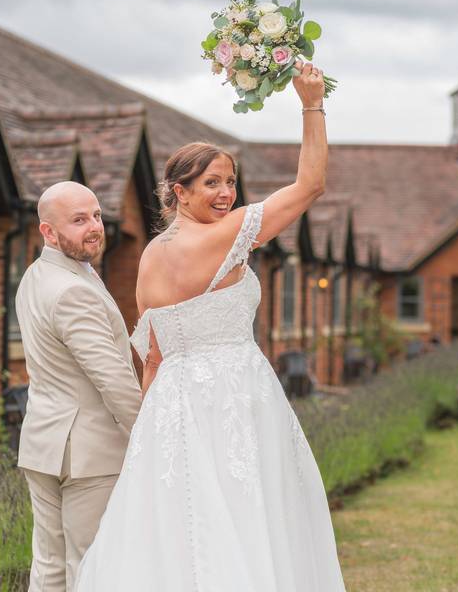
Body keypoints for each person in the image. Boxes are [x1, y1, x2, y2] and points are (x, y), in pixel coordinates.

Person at [74, 61, 346, 591]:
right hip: (234, 396)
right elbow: (311, 185)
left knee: (175, 527)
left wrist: (145, 438)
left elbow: (152, 359)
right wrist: (311, 103)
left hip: (170, 405)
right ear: (178, 191)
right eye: (211, 183)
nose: (226, 194)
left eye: (231, 182)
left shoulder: (150, 257)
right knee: (247, 517)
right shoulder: (228, 234)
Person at [14, 181, 143, 592]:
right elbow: (112, 378)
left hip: (44, 446)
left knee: (50, 567)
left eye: (97, 215)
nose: (94, 227)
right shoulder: (71, 290)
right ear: (48, 232)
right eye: (78, 220)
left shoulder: (37, 276)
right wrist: (150, 433)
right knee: (92, 568)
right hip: (90, 453)